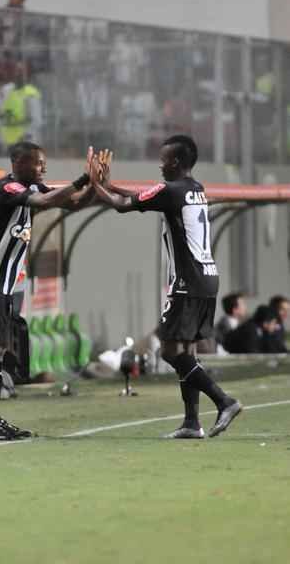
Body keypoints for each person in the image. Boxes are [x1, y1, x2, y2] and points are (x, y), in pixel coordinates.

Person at [90, 135, 242, 439]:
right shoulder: (194, 189)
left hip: (187, 280)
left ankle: (224, 401)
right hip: (207, 277)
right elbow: (145, 195)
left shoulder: (171, 190)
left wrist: (97, 184)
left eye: (163, 159)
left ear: (174, 162)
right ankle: (191, 423)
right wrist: (111, 183)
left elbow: (121, 205)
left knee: (171, 352)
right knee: (187, 351)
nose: (160, 165)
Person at [0, 141, 93, 442]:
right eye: (38, 163)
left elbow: (70, 202)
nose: (43, 168)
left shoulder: (30, 190)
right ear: (19, 163)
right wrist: (82, 179)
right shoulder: (7, 189)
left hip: (1, 283)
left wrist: (96, 184)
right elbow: (45, 203)